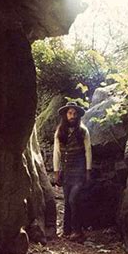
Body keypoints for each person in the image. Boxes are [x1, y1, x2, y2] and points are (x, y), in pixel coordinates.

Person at [53, 102, 92, 242]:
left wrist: (88, 171)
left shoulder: (83, 131)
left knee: (73, 199)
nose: (72, 116)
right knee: (67, 202)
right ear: (65, 115)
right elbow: (56, 153)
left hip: (79, 171)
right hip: (66, 172)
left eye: (75, 114)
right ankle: (66, 230)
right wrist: (56, 172)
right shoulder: (60, 131)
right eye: (70, 113)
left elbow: (88, 151)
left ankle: (78, 231)